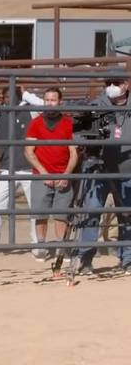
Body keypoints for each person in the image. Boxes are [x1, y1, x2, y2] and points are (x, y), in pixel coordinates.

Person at [72, 78, 131, 275]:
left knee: (126, 215)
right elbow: (78, 132)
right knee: (92, 211)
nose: (111, 87)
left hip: (126, 170)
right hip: (97, 168)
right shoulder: (96, 106)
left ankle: (128, 259)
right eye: (108, 84)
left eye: (116, 83)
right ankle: (85, 258)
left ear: (126, 85)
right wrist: (90, 140)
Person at [0, 85, 43, 254]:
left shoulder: (31, 112)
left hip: (29, 168)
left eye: (12, 96)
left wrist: (27, 94)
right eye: (5, 97)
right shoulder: (1, 115)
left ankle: (36, 243)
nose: (8, 99)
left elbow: (44, 106)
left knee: (34, 208)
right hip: (8, 169)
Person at [24, 87, 78, 260]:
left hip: (63, 174)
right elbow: (29, 151)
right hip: (41, 175)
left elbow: (74, 153)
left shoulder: (69, 123)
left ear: (60, 102)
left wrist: (66, 174)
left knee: (62, 214)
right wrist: (44, 173)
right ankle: (41, 246)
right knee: (40, 213)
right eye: (47, 99)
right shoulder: (36, 123)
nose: (49, 103)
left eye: (53, 99)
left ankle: (61, 247)